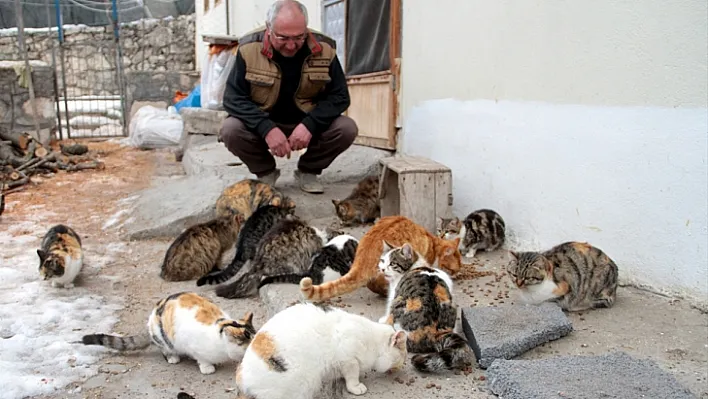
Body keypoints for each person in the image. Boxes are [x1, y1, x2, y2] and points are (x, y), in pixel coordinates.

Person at [219, 0, 358, 194]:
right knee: (230, 129)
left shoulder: (325, 49)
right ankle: (265, 171)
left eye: (299, 37)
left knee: (346, 128)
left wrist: (310, 125)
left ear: (306, 29)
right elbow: (233, 98)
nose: (291, 45)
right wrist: (266, 128)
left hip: (305, 120)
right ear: (269, 28)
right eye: (283, 38)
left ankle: (308, 170)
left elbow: (340, 96)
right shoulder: (248, 48)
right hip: (264, 119)